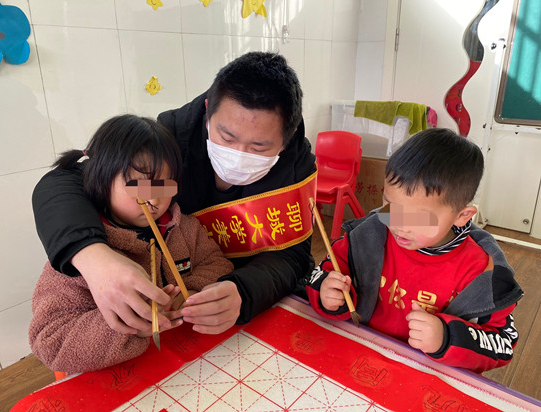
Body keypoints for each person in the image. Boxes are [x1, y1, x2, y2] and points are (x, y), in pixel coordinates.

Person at [32, 52, 317, 337]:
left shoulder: (297, 168)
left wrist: (244, 290)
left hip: (249, 304)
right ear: (208, 111)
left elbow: (293, 256)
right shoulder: (173, 138)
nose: (238, 155)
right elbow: (64, 180)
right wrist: (94, 259)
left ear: (287, 138)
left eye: (258, 148)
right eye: (226, 137)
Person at [306, 128, 523, 373]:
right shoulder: (367, 235)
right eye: (389, 205)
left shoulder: (483, 272)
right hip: (359, 356)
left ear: (462, 216)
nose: (398, 224)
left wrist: (447, 338)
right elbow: (326, 270)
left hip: (428, 376)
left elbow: (503, 343)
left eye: (418, 217)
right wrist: (327, 292)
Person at [29, 115, 234, 373]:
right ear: (101, 182)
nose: (154, 200)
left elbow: (216, 263)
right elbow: (50, 343)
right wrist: (131, 323)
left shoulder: (184, 227)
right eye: (139, 185)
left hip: (187, 362)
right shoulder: (79, 257)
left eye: (164, 185)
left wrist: (191, 293)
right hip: (112, 378)